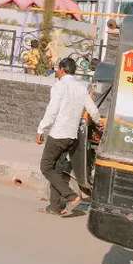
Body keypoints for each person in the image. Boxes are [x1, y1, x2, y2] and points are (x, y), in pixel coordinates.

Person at [36, 57, 102, 216]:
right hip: (72, 136)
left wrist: (41, 129)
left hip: (58, 133)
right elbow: (92, 109)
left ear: (62, 70)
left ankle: (70, 195)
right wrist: (99, 122)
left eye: (57, 69)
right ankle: (56, 207)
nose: (56, 72)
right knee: (57, 169)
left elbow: (52, 110)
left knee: (45, 167)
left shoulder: (59, 86)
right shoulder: (81, 87)